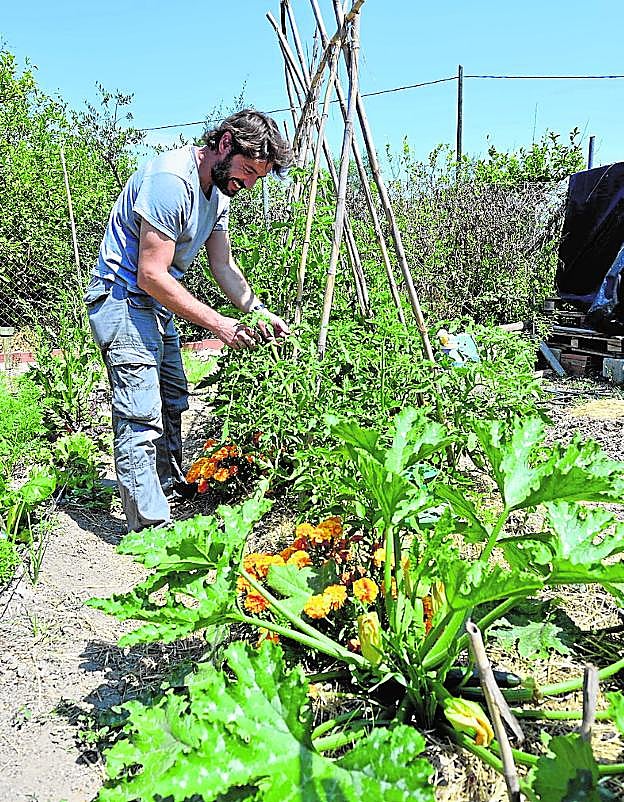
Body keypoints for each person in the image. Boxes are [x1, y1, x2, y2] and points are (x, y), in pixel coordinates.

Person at [84, 109, 293, 533]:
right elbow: (151, 273)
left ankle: (165, 486)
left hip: (156, 304)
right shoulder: (170, 182)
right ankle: (149, 529)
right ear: (225, 143)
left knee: (174, 397)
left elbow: (224, 265)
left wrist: (255, 309)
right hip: (124, 300)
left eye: (259, 177)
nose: (249, 184)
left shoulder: (218, 193)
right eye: (248, 170)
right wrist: (219, 325)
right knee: (140, 415)